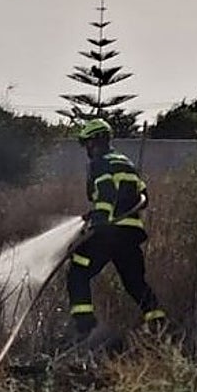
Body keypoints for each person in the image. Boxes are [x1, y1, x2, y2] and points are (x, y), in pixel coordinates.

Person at [67, 118, 166, 342]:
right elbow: (143, 197)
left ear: (96, 141)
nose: (87, 150)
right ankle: (158, 325)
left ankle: (85, 329)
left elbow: (106, 190)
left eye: (87, 144)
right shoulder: (127, 163)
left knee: (78, 271)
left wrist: (100, 217)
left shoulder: (101, 162)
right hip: (130, 236)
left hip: (109, 233)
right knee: (135, 283)